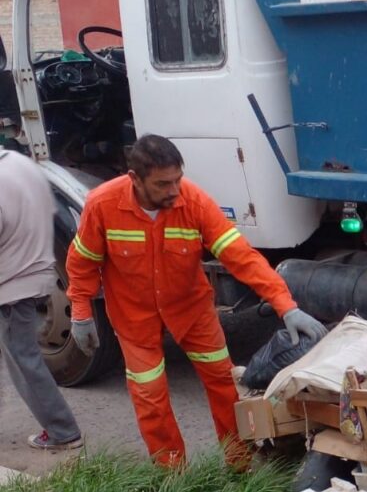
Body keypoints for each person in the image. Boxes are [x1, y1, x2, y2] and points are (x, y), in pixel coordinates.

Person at [66, 134, 326, 466]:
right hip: (134, 315)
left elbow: (240, 256)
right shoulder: (102, 205)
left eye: (178, 179)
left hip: (192, 311)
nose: (174, 191)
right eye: (162, 184)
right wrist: (81, 310)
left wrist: (285, 305)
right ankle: (171, 473)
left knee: (223, 384)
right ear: (134, 179)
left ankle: (241, 465)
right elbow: (83, 261)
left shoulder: (194, 202)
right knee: (149, 396)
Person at [0, 149, 84, 452]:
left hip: (11, 284)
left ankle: (63, 431)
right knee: (20, 358)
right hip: (38, 271)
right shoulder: (21, 163)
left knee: (24, 363)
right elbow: (50, 210)